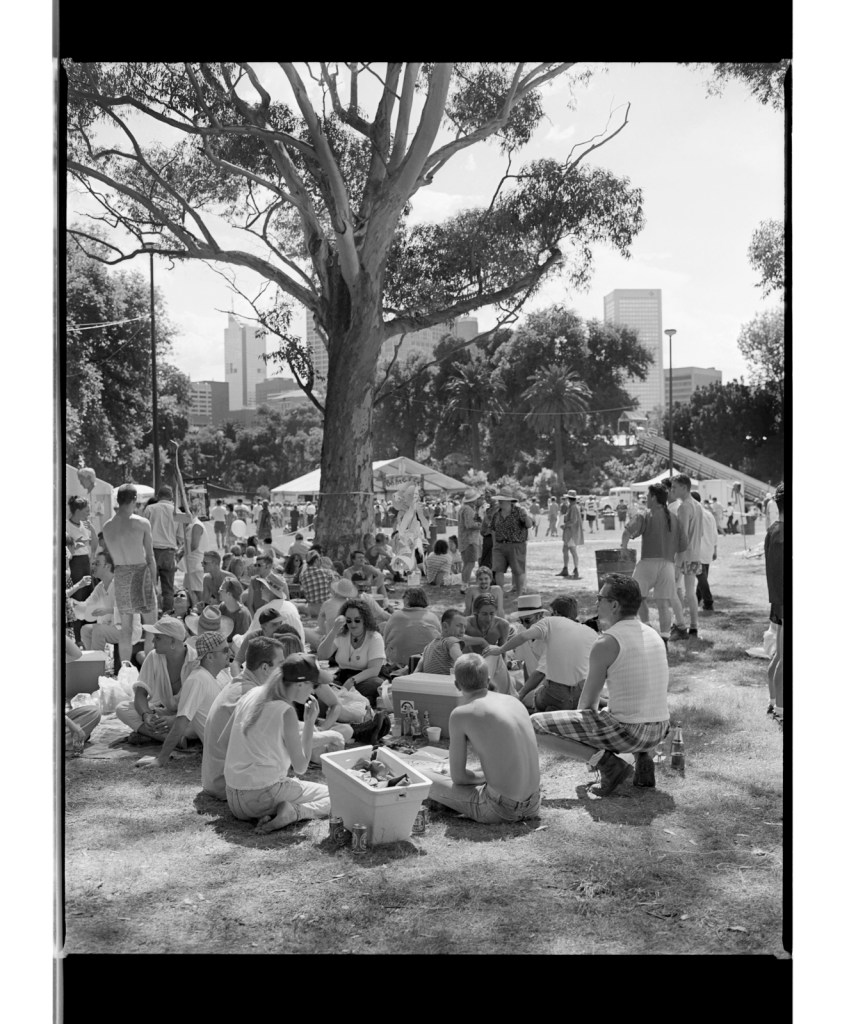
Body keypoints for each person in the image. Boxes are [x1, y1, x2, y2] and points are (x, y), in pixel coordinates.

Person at [530, 574, 670, 796]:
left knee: (534, 725)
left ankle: (608, 765)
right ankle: (643, 757)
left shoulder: (607, 642)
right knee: (618, 709)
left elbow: (586, 706)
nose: (596, 602)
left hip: (630, 732)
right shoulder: (653, 634)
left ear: (614, 605)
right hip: (660, 729)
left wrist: (591, 753)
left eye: (600, 597)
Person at [417, 653, 540, 824]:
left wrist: (482, 777)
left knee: (419, 775)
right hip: (534, 802)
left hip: (500, 809)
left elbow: (459, 778)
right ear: (488, 679)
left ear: (456, 685)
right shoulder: (514, 702)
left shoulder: (461, 713)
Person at [223, 653, 332, 833]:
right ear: (300, 684)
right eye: (314, 685)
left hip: (234, 798)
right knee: (336, 796)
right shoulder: (285, 711)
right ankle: (295, 812)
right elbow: (301, 767)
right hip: (261, 795)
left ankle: (272, 814)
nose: (313, 691)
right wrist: (309, 723)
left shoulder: (252, 694)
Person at [202, 635, 289, 799]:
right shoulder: (252, 694)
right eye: (280, 664)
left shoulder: (240, 685)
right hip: (229, 785)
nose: (284, 670)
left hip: (217, 780)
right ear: (265, 668)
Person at [135, 630, 230, 769]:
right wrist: (161, 759)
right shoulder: (197, 680)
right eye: (226, 650)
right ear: (210, 657)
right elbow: (180, 723)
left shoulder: (222, 676)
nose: (230, 654)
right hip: (227, 750)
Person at [486, 595, 597, 713]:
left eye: (527, 620)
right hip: (535, 688)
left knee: (524, 699)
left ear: (540, 616)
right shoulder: (523, 631)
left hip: (549, 689)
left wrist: (521, 695)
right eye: (521, 620)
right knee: (493, 652)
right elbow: (525, 663)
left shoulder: (555, 634)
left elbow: (539, 674)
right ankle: (478, 693)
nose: (524, 624)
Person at [620, 483, 685, 644]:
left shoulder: (645, 514)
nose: (646, 499)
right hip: (668, 566)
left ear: (654, 497)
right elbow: (683, 547)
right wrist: (677, 567)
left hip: (648, 563)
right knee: (664, 604)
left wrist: (623, 548)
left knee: (637, 597)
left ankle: (646, 629)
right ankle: (664, 639)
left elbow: (627, 531)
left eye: (648, 496)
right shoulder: (675, 518)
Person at [115, 616, 198, 742]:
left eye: (158, 638)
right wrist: (146, 715)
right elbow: (141, 694)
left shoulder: (195, 661)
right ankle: (171, 738)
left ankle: (155, 735)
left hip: (190, 717)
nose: (153, 641)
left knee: (198, 724)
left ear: (173, 642)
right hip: (168, 714)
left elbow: (200, 706)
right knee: (122, 709)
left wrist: (174, 720)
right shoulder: (154, 656)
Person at [101, 484, 159, 663]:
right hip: (140, 573)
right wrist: (154, 584)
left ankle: (125, 671)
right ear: (134, 499)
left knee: (125, 630)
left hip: (121, 574)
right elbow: (150, 557)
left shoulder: (107, 526)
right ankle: (150, 670)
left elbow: (110, 554)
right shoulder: (141, 523)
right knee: (151, 627)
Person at [317, 596, 386, 707]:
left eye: (357, 620)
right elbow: (322, 655)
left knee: (376, 684)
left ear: (365, 620)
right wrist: (334, 630)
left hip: (365, 679)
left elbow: (374, 670)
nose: (353, 624)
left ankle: (351, 703)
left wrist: (352, 681)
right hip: (342, 678)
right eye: (349, 621)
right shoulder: (342, 635)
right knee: (320, 686)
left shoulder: (374, 637)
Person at [75, 549, 143, 655]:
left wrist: (107, 611)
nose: (93, 567)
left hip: (128, 630)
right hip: (110, 627)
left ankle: (96, 665)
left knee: (98, 630)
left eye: (97, 564)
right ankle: (91, 659)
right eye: (93, 563)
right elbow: (86, 606)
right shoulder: (100, 587)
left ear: (107, 566)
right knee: (85, 629)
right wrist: (72, 604)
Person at [141, 485, 192, 614]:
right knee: (168, 589)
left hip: (151, 551)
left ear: (157, 497)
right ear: (171, 498)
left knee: (150, 587)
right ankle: (167, 615)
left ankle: (150, 614)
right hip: (169, 552)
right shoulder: (178, 513)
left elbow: (142, 532)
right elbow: (180, 537)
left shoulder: (150, 509)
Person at [669, 474, 703, 640]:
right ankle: (694, 627)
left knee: (675, 590)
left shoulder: (684, 507)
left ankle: (680, 624)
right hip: (695, 553)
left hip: (684, 555)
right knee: (690, 592)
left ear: (684, 487)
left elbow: (682, 537)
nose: (672, 490)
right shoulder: (697, 505)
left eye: (674, 487)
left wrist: (677, 562)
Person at [463, 593, 513, 694]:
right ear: (476, 612)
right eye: (484, 614)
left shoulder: (502, 625)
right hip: (469, 666)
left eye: (492, 614)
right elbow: (455, 639)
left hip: (493, 667)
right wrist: (481, 641)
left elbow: (502, 654)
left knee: (494, 650)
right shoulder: (466, 624)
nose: (489, 618)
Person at [764, 482, 785, 726]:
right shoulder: (781, 534)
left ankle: (773, 701)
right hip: (783, 603)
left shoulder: (774, 529)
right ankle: (781, 709)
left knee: (779, 655)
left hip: (778, 603)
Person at [490, 486, 534, 597]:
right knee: (498, 570)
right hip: (500, 546)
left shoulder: (519, 512)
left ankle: (519, 594)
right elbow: (493, 529)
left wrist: (526, 516)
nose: (499, 502)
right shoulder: (497, 514)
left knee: (517, 571)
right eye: (499, 500)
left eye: (502, 500)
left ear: (509, 501)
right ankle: (500, 593)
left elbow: (529, 525)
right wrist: (495, 544)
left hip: (516, 545)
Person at [382, 587, 441, 669]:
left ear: (406, 600)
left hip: (399, 663)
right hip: (428, 663)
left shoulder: (396, 616)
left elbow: (385, 641)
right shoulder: (433, 617)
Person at [691, 490, 719, 612]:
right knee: (702, 577)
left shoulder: (693, 514)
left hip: (697, 551)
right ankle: (697, 600)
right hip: (708, 549)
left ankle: (708, 602)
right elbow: (715, 533)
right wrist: (715, 549)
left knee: (701, 578)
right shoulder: (709, 514)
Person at [418, 608, 467, 674]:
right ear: (445, 626)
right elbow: (464, 663)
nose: (462, 631)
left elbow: (417, 671)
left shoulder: (428, 647)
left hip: (429, 682)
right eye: (459, 626)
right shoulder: (451, 641)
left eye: (465, 627)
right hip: (445, 683)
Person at [456, 488, 483, 592]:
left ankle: (464, 584)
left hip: (464, 540)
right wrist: (481, 525)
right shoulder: (468, 509)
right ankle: (465, 585)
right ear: (473, 500)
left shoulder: (463, 508)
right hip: (470, 540)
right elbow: (470, 525)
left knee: (467, 563)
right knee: (470, 563)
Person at [183, 510, 209, 609]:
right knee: (189, 589)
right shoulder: (191, 525)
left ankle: (204, 610)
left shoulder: (196, 525)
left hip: (196, 563)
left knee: (198, 590)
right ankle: (194, 609)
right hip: (191, 563)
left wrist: (182, 552)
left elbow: (194, 545)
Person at [556, 489, 584, 579]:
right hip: (569, 532)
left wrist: (565, 525)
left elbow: (573, 520)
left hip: (572, 533)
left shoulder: (574, 507)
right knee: (565, 549)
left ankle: (576, 570)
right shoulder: (571, 506)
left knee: (572, 550)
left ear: (569, 498)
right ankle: (565, 569)